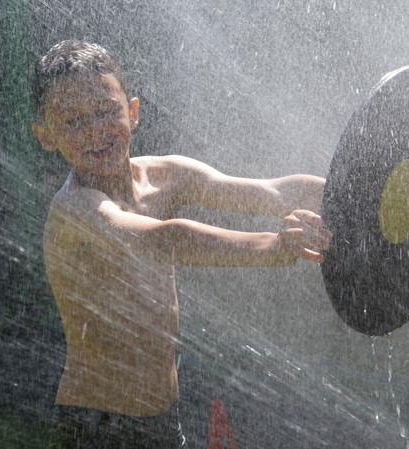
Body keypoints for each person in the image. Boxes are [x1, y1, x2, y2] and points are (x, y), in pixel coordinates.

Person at [32, 40, 332, 448]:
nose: (95, 130)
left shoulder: (167, 177)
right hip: (96, 428)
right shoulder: (77, 209)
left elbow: (271, 192)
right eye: (72, 121)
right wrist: (273, 247)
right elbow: (164, 239)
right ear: (46, 136)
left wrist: (348, 198)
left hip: (162, 420)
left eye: (106, 111)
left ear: (133, 112)